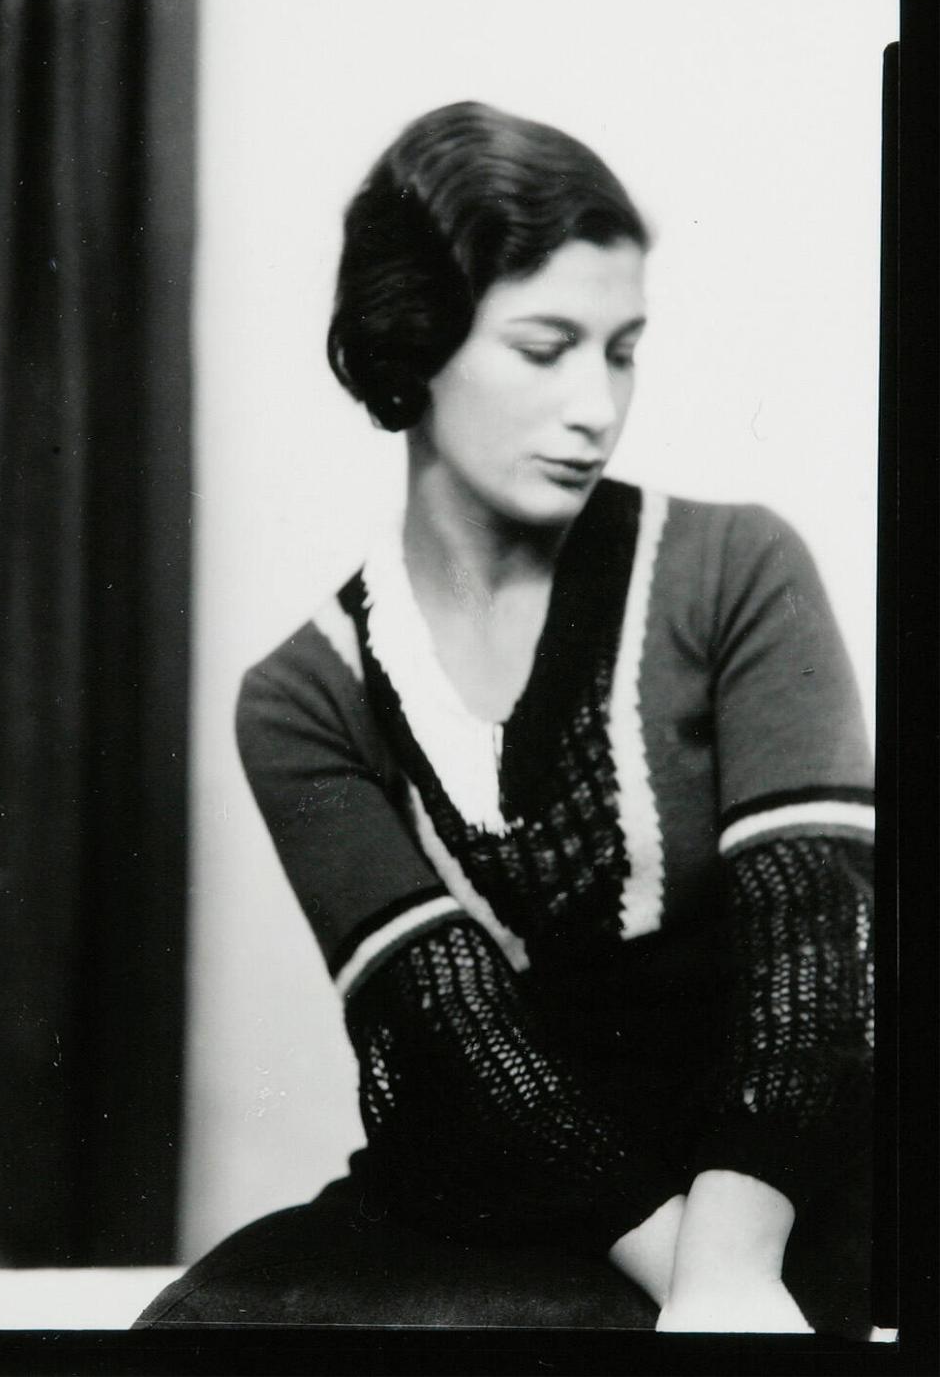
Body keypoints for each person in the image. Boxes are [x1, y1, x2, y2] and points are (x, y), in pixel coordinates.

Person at [137, 102, 875, 1335]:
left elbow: (811, 956)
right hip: (510, 1177)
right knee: (199, 1332)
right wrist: (693, 1285)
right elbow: (446, 1031)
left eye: (620, 351)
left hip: (779, 1172)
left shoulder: (734, 569)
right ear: (413, 342)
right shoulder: (301, 696)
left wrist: (736, 1272)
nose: (597, 404)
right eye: (545, 349)